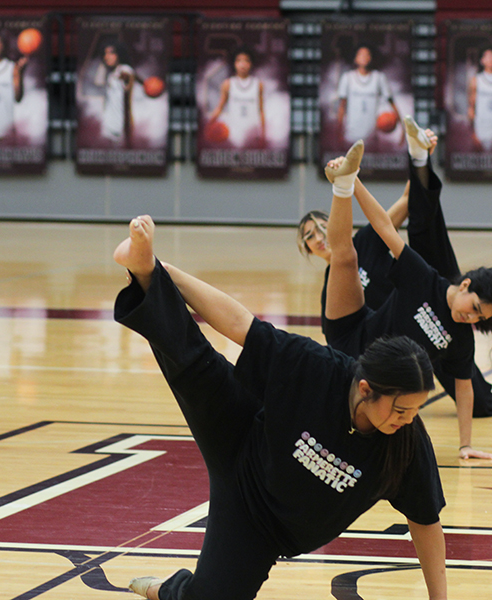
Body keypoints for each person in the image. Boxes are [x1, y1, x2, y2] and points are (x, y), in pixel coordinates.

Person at [113, 215, 449, 600]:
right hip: (240, 435)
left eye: (414, 412)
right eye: (400, 410)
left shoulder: (406, 448)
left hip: (259, 524)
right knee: (193, 365)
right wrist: (167, 274)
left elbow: (425, 521)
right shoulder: (316, 368)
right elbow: (240, 323)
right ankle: (147, 271)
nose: (405, 421)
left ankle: (168, 591)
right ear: (366, 388)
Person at [298, 117, 492, 420]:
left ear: (335, 220)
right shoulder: (333, 286)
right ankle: (484, 397)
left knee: (428, 235)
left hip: (421, 304)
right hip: (391, 340)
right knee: (449, 356)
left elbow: (405, 204)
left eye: (322, 227)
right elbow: (340, 339)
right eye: (309, 236)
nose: (318, 237)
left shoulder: (364, 241)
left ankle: (417, 157)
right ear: (307, 250)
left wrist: (422, 162)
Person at [336, 44, 401, 145]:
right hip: (351, 135)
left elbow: (392, 103)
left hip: (372, 136)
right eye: (361, 54)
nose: (364, 57)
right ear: (355, 58)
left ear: (371, 58)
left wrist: (402, 129)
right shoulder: (347, 77)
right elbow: (342, 107)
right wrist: (339, 132)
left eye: (367, 54)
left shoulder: (379, 77)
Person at [207, 47, 265, 147]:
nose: (242, 64)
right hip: (233, 132)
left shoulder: (257, 84)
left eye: (246, 60)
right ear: (234, 64)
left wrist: (263, 133)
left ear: (251, 64)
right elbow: (220, 107)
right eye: (239, 60)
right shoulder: (228, 84)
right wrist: (210, 123)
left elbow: (261, 110)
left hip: (252, 132)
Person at [94, 41, 135, 146]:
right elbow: (97, 82)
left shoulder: (125, 70)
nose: (107, 56)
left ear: (119, 54)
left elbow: (127, 77)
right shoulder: (111, 74)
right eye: (105, 54)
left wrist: (125, 77)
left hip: (120, 127)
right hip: (109, 125)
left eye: (111, 53)